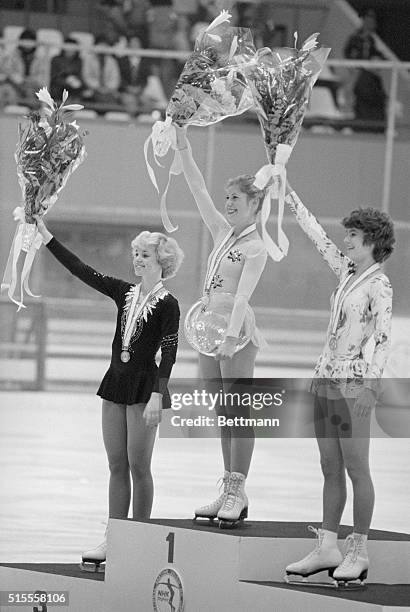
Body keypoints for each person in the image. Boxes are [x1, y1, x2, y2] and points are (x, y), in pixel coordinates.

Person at [34, 217, 183, 569]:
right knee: (116, 464)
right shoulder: (124, 292)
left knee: (138, 465)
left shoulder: (168, 304)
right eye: (135, 253)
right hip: (115, 383)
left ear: (162, 260)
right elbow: (81, 270)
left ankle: (142, 538)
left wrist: (159, 396)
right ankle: (116, 537)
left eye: (144, 254)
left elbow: (171, 351)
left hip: (145, 390)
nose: (137, 259)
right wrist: (44, 234)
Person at [283, 184, 394, 584]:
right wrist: (288, 191)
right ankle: (328, 544)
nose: (344, 240)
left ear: (373, 242)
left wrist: (371, 386)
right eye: (346, 234)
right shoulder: (347, 271)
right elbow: (316, 234)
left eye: (353, 235)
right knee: (329, 465)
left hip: (353, 382)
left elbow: (383, 337)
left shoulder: (379, 286)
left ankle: (359, 549)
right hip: (325, 379)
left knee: (355, 466)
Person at [175, 126, 269, 528]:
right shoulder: (221, 234)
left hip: (236, 333)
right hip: (209, 331)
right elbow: (196, 187)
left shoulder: (255, 246)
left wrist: (230, 338)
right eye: (227, 197)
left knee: (238, 413)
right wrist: (181, 141)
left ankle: (238, 488)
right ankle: (228, 487)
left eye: (236, 199)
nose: (228, 203)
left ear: (255, 204)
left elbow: (244, 295)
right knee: (220, 413)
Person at [50, 37, 85, 102]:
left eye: (73, 48)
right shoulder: (56, 59)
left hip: (75, 88)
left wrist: (76, 80)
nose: (70, 50)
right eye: (68, 47)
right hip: (59, 86)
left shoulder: (79, 61)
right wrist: (66, 81)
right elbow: (53, 77)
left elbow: (81, 76)